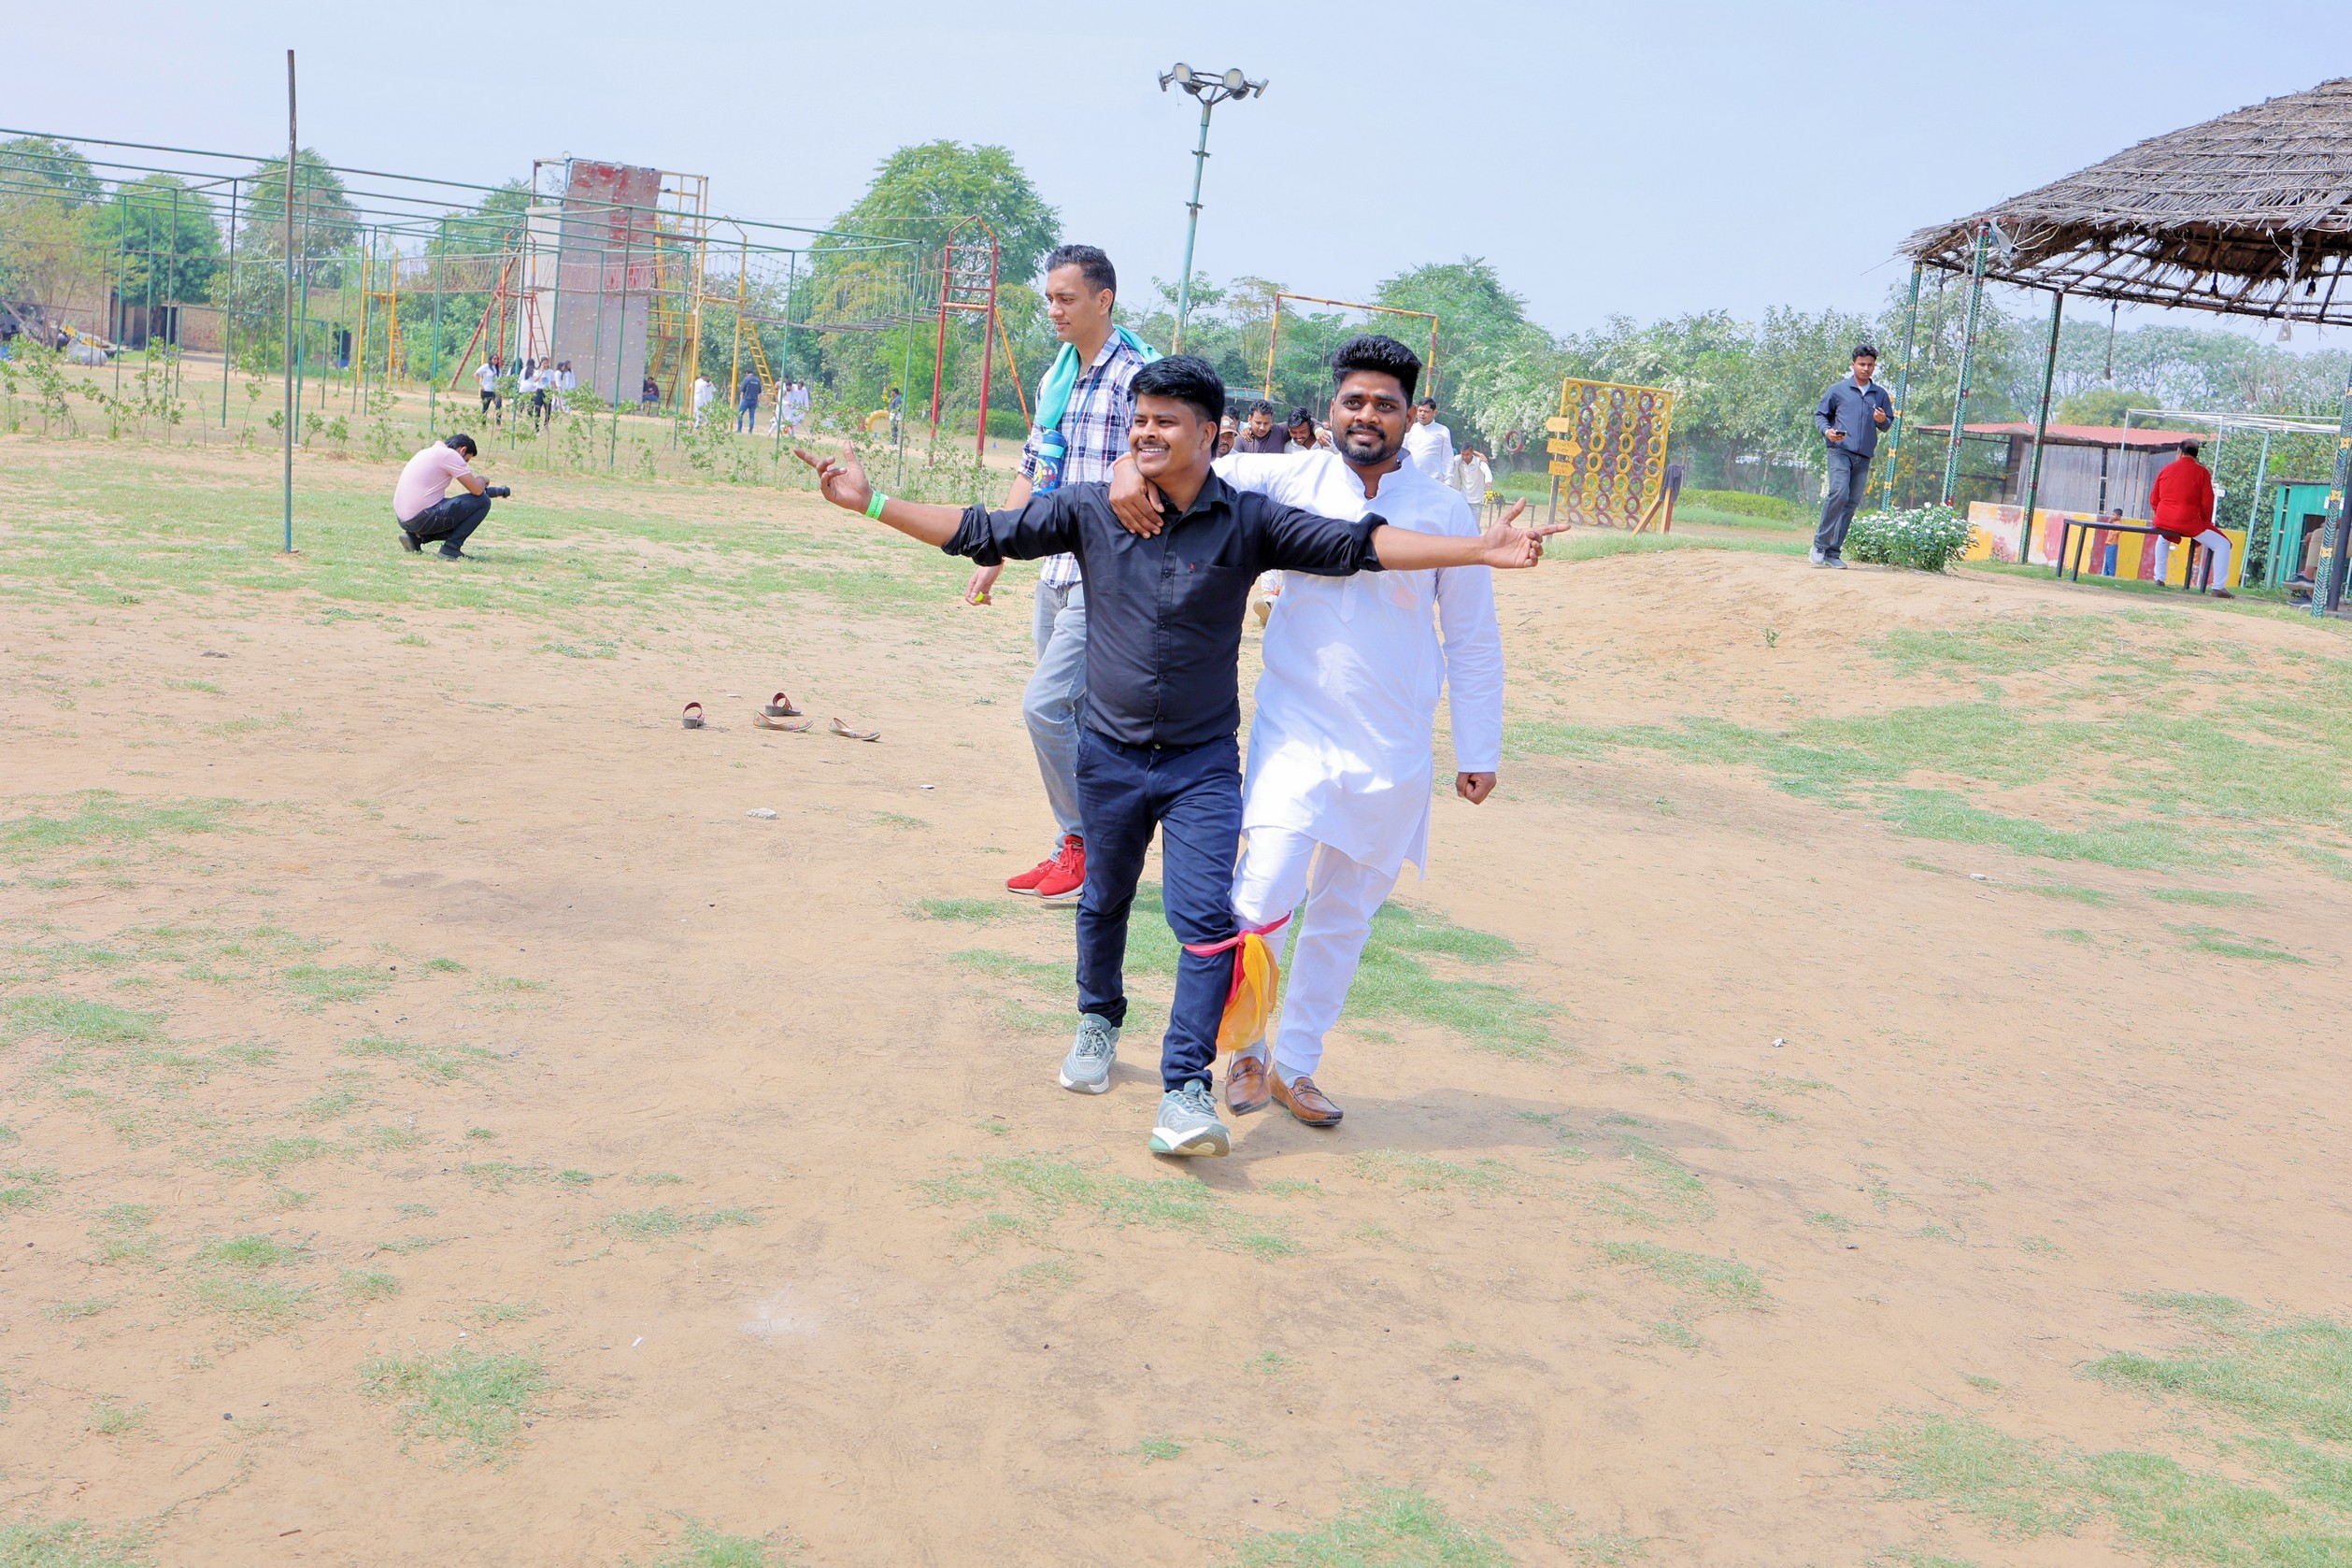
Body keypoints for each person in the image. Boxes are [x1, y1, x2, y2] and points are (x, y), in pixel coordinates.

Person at [795, 355, 1562, 1155]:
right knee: (1107, 901)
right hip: (1123, 752)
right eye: (1138, 422)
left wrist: (1475, 549)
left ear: (1208, 434)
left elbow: (1357, 546)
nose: (1146, 433)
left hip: (1212, 763)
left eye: (1165, 421)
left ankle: (1189, 1085)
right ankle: (1099, 1021)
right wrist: (870, 501)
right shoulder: (1096, 508)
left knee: (1209, 922)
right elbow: (984, 531)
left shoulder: (1253, 520)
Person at [1109, 335, 1517, 1129]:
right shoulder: (1282, 476)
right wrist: (1131, 466)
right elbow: (1181, 458)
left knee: (1344, 916)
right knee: (1261, 893)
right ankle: (1244, 1045)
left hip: (1392, 745)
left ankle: (1296, 1064)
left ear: (1409, 416)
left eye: (1384, 405)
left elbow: (1471, 641)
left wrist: (1479, 749)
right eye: (1353, 401)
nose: (1367, 415)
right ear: (1331, 408)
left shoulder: (1445, 513)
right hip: (1295, 729)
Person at [966, 244, 1156, 908]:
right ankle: (1082, 848)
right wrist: (995, 549)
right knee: (1077, 714)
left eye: (1066, 298)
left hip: (1111, 575)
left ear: (1103, 300)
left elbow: (1164, 462)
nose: (1054, 309)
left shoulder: (1136, 378)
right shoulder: (1060, 375)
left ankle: (1086, 843)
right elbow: (1035, 467)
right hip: (1055, 566)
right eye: (1050, 298)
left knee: (1044, 705)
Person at [1812, 344, 1894, 568]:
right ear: (1853, 365)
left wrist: (1882, 421)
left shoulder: (1880, 394)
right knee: (1839, 493)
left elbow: (1887, 424)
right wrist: (1827, 431)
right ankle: (1820, 545)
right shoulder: (1838, 390)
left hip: (1863, 456)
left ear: (1874, 366)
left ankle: (1833, 553)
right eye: (1861, 364)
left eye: (1870, 365)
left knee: (1850, 503)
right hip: (1839, 450)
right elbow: (1820, 415)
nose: (1866, 368)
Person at [392, 434, 510, 561]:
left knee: (458, 509)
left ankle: (415, 538)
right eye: (466, 460)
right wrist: (482, 479)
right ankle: (451, 548)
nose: (465, 463)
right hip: (422, 518)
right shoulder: (450, 455)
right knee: (483, 501)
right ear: (462, 450)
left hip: (404, 519)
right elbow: (476, 490)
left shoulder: (426, 452)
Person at [2148, 438, 2233, 599]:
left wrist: (2159, 512)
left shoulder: (2166, 469)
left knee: (2163, 537)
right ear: (2196, 454)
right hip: (2188, 521)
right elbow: (2207, 502)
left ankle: (2159, 578)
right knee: (2224, 544)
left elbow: (2154, 498)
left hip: (2163, 519)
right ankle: (2218, 587)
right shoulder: (2202, 472)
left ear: (2180, 452)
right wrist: (2205, 522)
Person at [1402, 396, 1455, 485]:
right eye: (1420, 411)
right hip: (1411, 480)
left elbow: (1447, 458)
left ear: (1434, 413)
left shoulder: (1442, 431)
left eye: (1426, 411)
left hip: (1434, 481)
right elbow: (1402, 454)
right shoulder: (1409, 429)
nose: (1422, 414)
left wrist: (1448, 482)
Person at [1453, 447, 1494, 520]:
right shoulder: (1459, 462)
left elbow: (1487, 472)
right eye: (1463, 454)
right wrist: (1479, 454)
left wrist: (1488, 481)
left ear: (1472, 452)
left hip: (1476, 500)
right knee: (1464, 524)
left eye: (1467, 454)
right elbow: (1455, 459)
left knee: (1475, 525)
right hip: (1464, 499)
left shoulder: (1479, 461)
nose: (1465, 457)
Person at [476, 357, 503, 423]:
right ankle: (483, 423)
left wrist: (500, 390)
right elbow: (476, 374)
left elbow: (499, 381)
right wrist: (481, 386)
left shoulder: (498, 369)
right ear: (491, 359)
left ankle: (498, 423)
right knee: (485, 407)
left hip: (496, 391)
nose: (496, 360)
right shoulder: (486, 366)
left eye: (497, 359)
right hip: (486, 390)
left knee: (499, 406)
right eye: (494, 358)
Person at [736, 367, 763, 434]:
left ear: (747, 373)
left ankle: (739, 429)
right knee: (752, 417)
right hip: (754, 400)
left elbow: (742, 389)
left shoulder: (746, 379)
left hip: (747, 399)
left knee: (740, 414)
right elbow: (759, 391)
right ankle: (750, 431)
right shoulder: (757, 380)